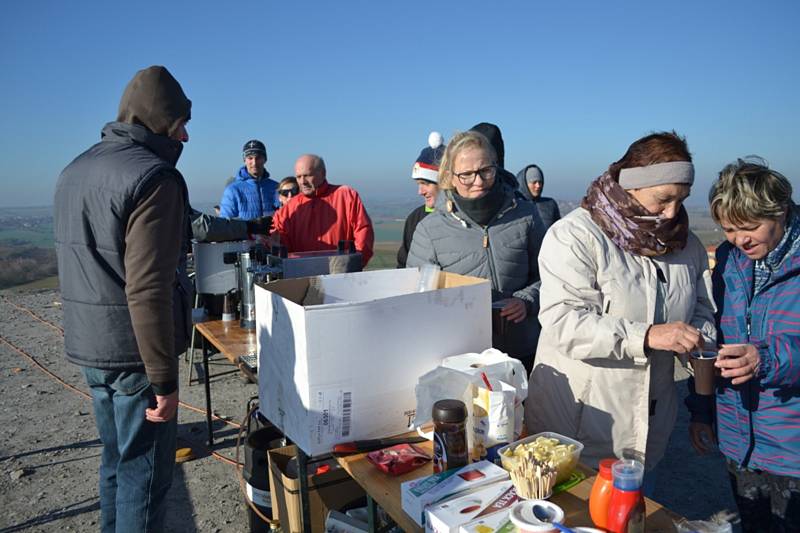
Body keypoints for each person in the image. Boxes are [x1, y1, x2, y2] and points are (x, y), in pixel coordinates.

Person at [524, 132, 716, 485]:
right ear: (631, 185)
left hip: (650, 421)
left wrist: (699, 343)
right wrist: (648, 336)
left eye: (682, 199)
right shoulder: (576, 236)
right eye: (663, 199)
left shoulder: (686, 245)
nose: (673, 212)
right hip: (582, 421)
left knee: (632, 513)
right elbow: (564, 323)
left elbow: (701, 308)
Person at [53, 65, 192, 532]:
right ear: (159, 122)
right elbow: (148, 288)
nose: (186, 136)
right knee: (145, 479)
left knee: (116, 463)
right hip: (136, 355)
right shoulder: (154, 179)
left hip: (92, 349)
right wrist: (165, 381)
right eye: (179, 124)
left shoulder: (75, 169)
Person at [687, 158, 800, 532]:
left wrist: (765, 359)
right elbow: (715, 341)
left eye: (750, 227)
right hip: (740, 444)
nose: (740, 239)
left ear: (781, 211)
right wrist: (702, 410)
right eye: (729, 229)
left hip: (792, 448)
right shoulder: (729, 264)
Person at [407, 130, 545, 372]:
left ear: (496, 167)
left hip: (524, 352)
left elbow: (551, 275)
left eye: (485, 171)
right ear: (449, 177)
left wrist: (527, 300)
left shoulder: (525, 216)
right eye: (467, 175)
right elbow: (417, 300)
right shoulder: (430, 230)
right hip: (462, 360)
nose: (478, 181)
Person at [271, 154, 375, 266]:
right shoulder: (290, 207)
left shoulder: (346, 196)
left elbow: (363, 232)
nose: (302, 182)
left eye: (307, 175)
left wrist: (354, 263)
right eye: (298, 177)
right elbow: (278, 240)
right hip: (303, 274)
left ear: (323, 173)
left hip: (341, 273)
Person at [397, 132, 444, 268]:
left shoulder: (462, 220)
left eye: (426, 183)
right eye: (419, 184)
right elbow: (402, 264)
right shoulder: (415, 218)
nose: (420, 192)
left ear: (444, 182)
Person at [219, 139, 279, 219]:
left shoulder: (276, 188)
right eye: (250, 158)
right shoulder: (233, 190)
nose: (254, 163)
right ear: (245, 160)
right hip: (244, 232)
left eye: (258, 158)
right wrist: (250, 227)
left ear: (265, 159)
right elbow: (226, 225)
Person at [516, 164, 561, 230]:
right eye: (534, 182)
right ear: (525, 184)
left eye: (540, 182)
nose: (538, 186)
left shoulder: (550, 205)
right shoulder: (515, 205)